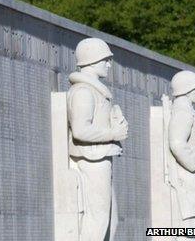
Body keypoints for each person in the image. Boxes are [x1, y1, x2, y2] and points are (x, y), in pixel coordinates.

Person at [67, 38, 128, 240]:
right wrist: (113, 134)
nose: (109, 65)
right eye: (105, 60)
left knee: (112, 220)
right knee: (97, 219)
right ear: (92, 61)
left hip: (101, 158)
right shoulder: (83, 92)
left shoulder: (96, 91)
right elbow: (80, 130)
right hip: (91, 161)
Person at [168, 70, 195, 240]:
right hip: (186, 177)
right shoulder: (183, 113)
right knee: (187, 229)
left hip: (190, 177)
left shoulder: (187, 111)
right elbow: (177, 144)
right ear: (186, 90)